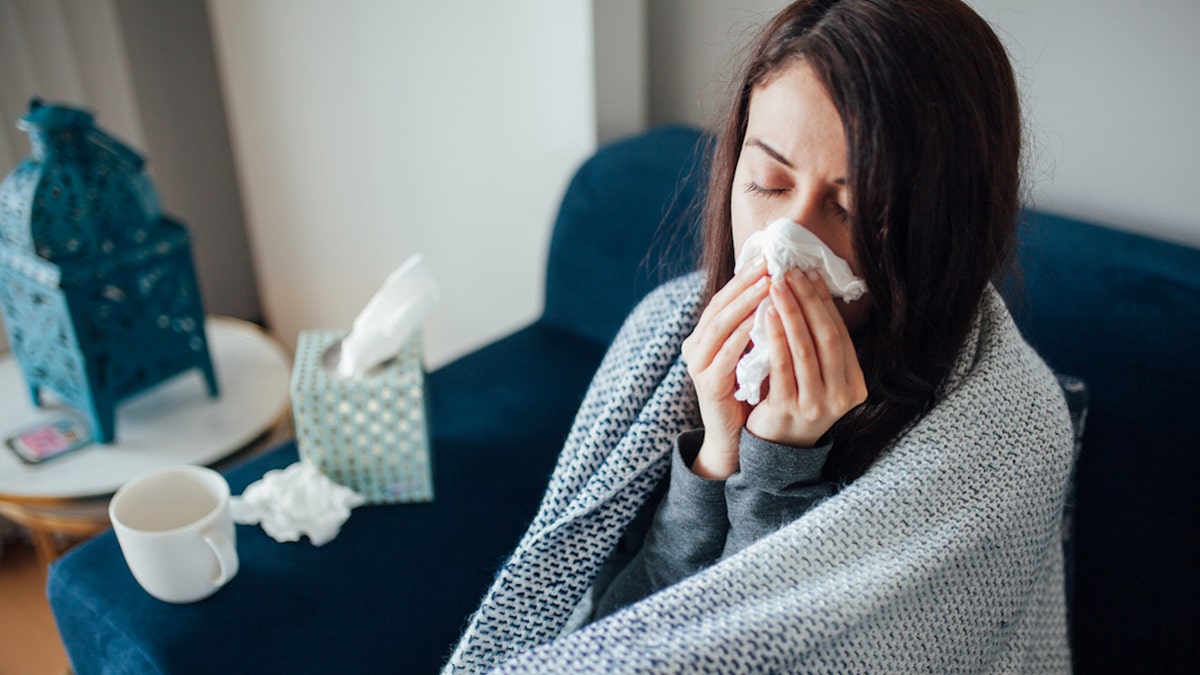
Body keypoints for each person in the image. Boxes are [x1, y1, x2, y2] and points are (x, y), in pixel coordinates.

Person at [445, 1, 1075, 672]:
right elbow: (614, 637)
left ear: (944, 231)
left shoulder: (1010, 434)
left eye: (854, 210)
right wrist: (716, 456)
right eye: (769, 182)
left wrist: (776, 473)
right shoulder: (667, 328)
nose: (788, 244)